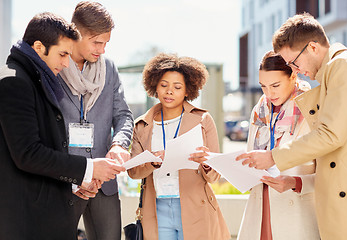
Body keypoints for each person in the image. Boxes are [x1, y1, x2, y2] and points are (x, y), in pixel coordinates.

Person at [0, 12, 123, 240]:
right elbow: (28, 154)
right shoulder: (14, 81)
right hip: (26, 220)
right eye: (62, 54)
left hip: (42, 207)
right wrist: (89, 169)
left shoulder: (33, 79)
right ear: (39, 47)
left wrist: (77, 182)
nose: (67, 63)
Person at [238, 13, 347, 239]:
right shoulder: (329, 75)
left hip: (344, 198)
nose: (295, 68)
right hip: (334, 197)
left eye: (294, 62)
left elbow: (331, 134)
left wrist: (273, 156)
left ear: (313, 47)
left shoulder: (342, 64)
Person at [128, 53, 230, 240]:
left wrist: (206, 163)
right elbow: (133, 172)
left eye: (177, 87)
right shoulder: (142, 125)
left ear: (187, 90)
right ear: (155, 87)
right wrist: (153, 163)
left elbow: (215, 174)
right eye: (164, 85)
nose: (169, 91)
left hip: (195, 207)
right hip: (156, 209)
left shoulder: (202, 120)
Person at [57, 1, 134, 240]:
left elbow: (123, 115)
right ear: (75, 33)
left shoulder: (109, 69)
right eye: (96, 42)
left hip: (104, 181)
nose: (102, 50)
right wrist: (73, 177)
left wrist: (119, 144)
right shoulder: (55, 67)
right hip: (64, 179)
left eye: (106, 43)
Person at [237, 51, 319, 240]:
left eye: (275, 85)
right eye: (263, 86)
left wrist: (295, 182)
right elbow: (250, 155)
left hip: (296, 212)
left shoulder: (313, 109)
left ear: (293, 75)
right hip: (259, 211)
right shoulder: (259, 111)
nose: (269, 93)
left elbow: (330, 172)